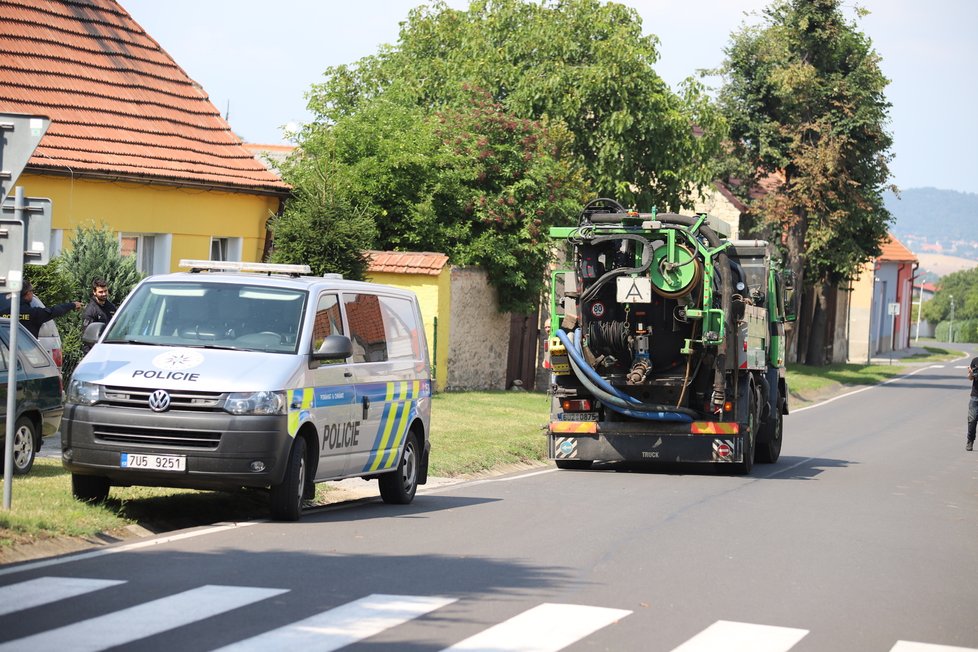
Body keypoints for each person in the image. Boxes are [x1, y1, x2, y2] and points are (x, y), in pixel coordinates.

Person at [0, 280, 82, 339]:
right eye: (32, 291)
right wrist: (73, 304)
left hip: (6, 353)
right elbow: (55, 310)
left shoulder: (3, 312)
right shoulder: (34, 313)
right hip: (27, 353)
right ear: (28, 293)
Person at [81, 278, 117, 353]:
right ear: (94, 292)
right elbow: (88, 338)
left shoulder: (111, 307)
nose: (104, 294)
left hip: (110, 348)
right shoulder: (90, 311)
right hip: (94, 351)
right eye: (101, 292)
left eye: (105, 291)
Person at [968, 357, 978, 451]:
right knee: (972, 420)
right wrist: (971, 373)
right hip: (975, 396)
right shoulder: (975, 361)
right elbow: (970, 378)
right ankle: (970, 441)